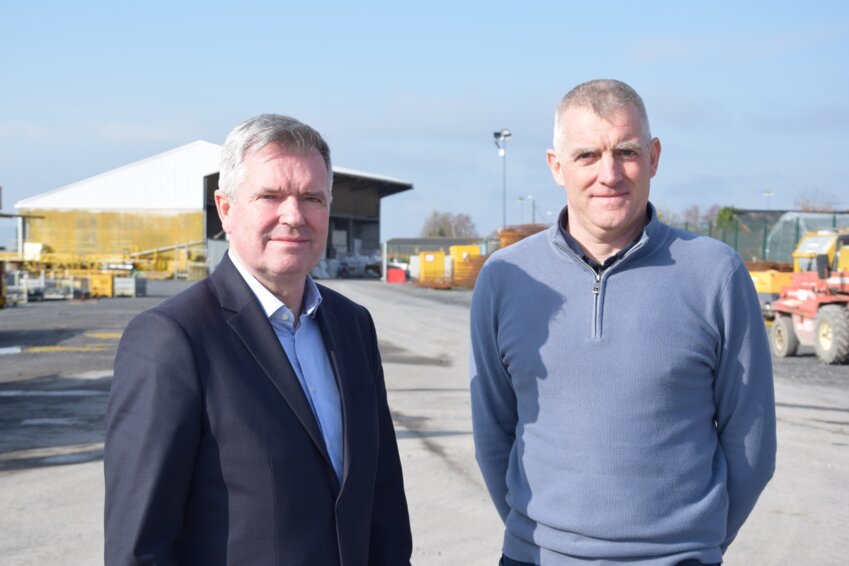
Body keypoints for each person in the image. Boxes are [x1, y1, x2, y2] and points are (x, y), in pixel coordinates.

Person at [470, 80, 776, 566]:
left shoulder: (716, 274)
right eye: (587, 155)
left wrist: (695, 545)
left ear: (654, 157)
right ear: (556, 166)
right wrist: (538, 538)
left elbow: (751, 442)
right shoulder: (505, 279)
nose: (609, 173)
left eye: (627, 151)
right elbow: (494, 431)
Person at [104, 114, 412, 565]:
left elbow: (381, 494)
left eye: (312, 198)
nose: (295, 215)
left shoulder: (352, 325)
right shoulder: (174, 339)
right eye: (270, 196)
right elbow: (139, 544)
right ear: (225, 209)